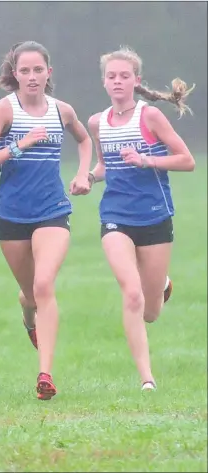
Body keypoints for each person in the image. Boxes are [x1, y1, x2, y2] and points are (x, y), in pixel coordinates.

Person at [0, 41, 93, 400]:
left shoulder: (62, 111)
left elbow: (85, 141)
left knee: (43, 286)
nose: (32, 76)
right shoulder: (4, 110)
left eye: (38, 69)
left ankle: (45, 374)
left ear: (48, 73)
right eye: (24, 70)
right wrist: (18, 145)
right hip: (11, 216)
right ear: (14, 75)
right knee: (29, 295)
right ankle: (29, 319)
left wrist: (84, 174)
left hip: (53, 210)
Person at [79, 46, 195, 391]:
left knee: (150, 311)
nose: (117, 81)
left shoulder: (150, 118)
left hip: (155, 217)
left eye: (124, 76)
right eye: (112, 76)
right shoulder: (97, 122)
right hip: (115, 216)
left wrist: (147, 161)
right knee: (131, 294)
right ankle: (147, 378)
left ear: (136, 81)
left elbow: (186, 160)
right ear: (104, 82)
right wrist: (87, 178)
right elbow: (103, 165)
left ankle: (160, 286)